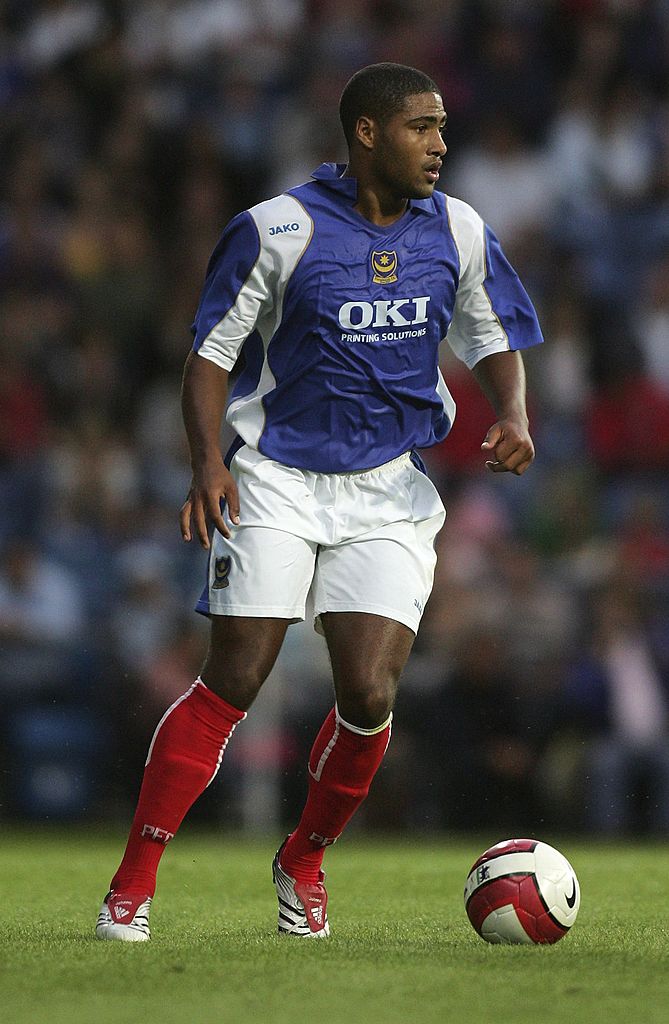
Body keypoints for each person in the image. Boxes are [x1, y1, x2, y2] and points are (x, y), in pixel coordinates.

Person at [96, 62, 542, 942]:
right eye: (421, 126)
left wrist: (514, 411)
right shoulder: (277, 228)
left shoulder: (457, 228)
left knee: (369, 693)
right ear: (367, 132)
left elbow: (491, 332)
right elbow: (210, 356)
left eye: (442, 126)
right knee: (236, 677)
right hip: (277, 477)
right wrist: (207, 464)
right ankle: (132, 883)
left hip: (389, 489)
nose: (439, 145)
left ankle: (302, 859)